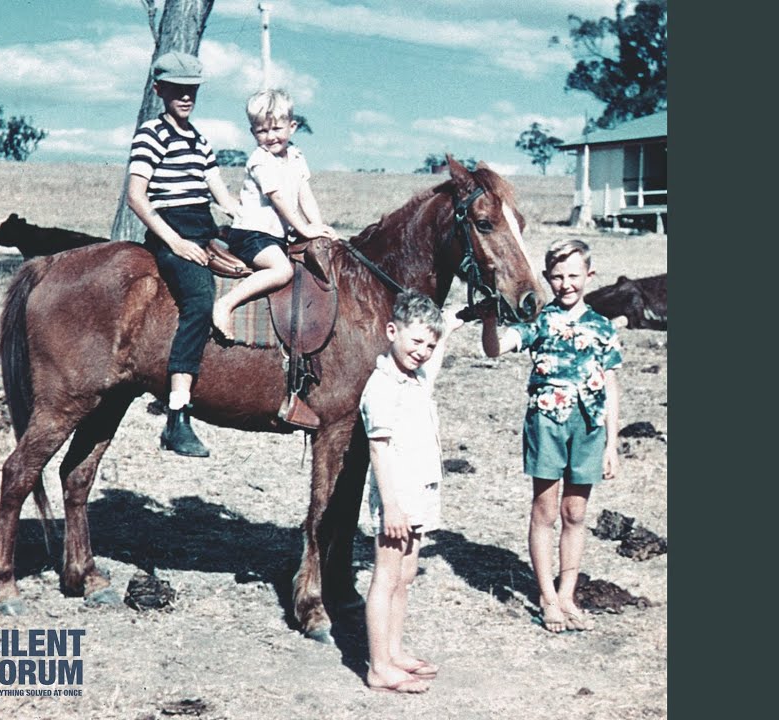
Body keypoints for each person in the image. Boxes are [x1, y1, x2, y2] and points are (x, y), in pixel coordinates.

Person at [481, 238, 622, 633]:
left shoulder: (603, 327)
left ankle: (567, 594)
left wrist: (611, 444)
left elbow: (611, 387)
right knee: (545, 512)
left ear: (590, 276)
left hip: (589, 427)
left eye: (574, 275)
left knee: (575, 513)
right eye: (558, 277)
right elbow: (495, 349)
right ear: (547, 278)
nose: (566, 284)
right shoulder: (539, 321)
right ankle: (546, 596)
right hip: (547, 424)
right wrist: (489, 319)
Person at [126, 51, 240, 458]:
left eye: (192, 89)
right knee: (199, 300)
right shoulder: (151, 134)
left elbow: (221, 194)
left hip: (203, 228)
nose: (186, 97)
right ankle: (177, 416)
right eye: (177, 89)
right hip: (170, 231)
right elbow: (136, 196)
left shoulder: (199, 139)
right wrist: (174, 242)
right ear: (159, 90)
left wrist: (254, 218)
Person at [360, 291, 463, 694]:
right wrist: (391, 507)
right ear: (392, 332)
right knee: (386, 577)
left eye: (429, 346)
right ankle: (378, 667)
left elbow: (441, 338)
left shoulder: (416, 376)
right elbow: (378, 450)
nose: (422, 351)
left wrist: (454, 323)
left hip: (419, 491)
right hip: (396, 497)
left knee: (405, 575)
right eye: (415, 341)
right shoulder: (382, 386)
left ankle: (394, 651)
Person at [211, 88, 337, 340]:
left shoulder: (296, 156)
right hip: (251, 234)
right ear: (253, 132)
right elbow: (279, 199)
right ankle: (225, 304)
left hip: (274, 236)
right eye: (262, 131)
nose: (270, 137)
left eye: (277, 129)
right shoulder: (261, 160)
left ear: (292, 127)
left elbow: (305, 195)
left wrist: (318, 227)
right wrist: (304, 228)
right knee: (282, 270)